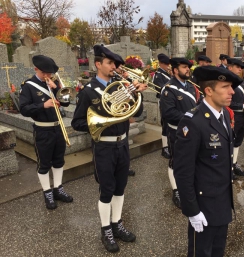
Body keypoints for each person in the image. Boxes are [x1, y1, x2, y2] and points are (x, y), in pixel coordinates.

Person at [72, 45, 147, 252]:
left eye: (115, 63)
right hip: (104, 146)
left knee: (120, 187)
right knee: (107, 189)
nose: (114, 67)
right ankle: (105, 229)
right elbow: (77, 123)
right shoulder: (88, 91)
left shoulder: (121, 86)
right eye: (110, 63)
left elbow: (137, 111)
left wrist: (136, 93)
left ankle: (117, 223)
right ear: (98, 64)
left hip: (122, 143)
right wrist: (100, 122)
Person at [174, 66, 241, 257]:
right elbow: (183, 171)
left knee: (217, 251)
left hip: (221, 201)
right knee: (201, 253)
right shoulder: (193, 121)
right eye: (226, 86)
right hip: (204, 207)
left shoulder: (224, 114)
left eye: (231, 86)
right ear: (209, 91)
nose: (232, 91)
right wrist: (192, 211)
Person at [19, 55, 73, 210]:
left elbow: (67, 102)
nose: (48, 76)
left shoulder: (55, 82)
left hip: (58, 127)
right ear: (36, 69)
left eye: (50, 73)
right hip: (42, 129)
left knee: (59, 161)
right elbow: (23, 109)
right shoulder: (28, 86)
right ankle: (47, 192)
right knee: (44, 164)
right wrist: (44, 105)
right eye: (45, 73)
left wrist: (57, 89)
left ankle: (58, 188)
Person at [160, 57, 199, 209]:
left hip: (192, 130)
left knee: (191, 159)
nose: (187, 69)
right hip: (176, 130)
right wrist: (189, 116)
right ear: (175, 70)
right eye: (184, 67)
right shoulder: (168, 89)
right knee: (175, 161)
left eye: (188, 67)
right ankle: (176, 191)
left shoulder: (189, 86)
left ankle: (188, 185)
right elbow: (168, 113)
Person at [227, 58, 244, 177]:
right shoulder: (227, 82)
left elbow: (242, 98)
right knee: (230, 142)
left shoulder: (241, 81)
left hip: (241, 115)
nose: (240, 69)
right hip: (232, 116)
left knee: (238, 142)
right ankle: (228, 167)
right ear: (230, 67)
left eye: (241, 68)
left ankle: (234, 164)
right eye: (237, 67)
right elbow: (226, 103)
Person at [153, 53, 172, 158]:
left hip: (171, 102)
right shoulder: (158, 75)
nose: (167, 65)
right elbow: (160, 88)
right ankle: (165, 148)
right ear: (160, 63)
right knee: (165, 125)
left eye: (167, 63)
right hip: (164, 102)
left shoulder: (167, 74)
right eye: (165, 64)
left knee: (170, 125)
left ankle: (169, 145)